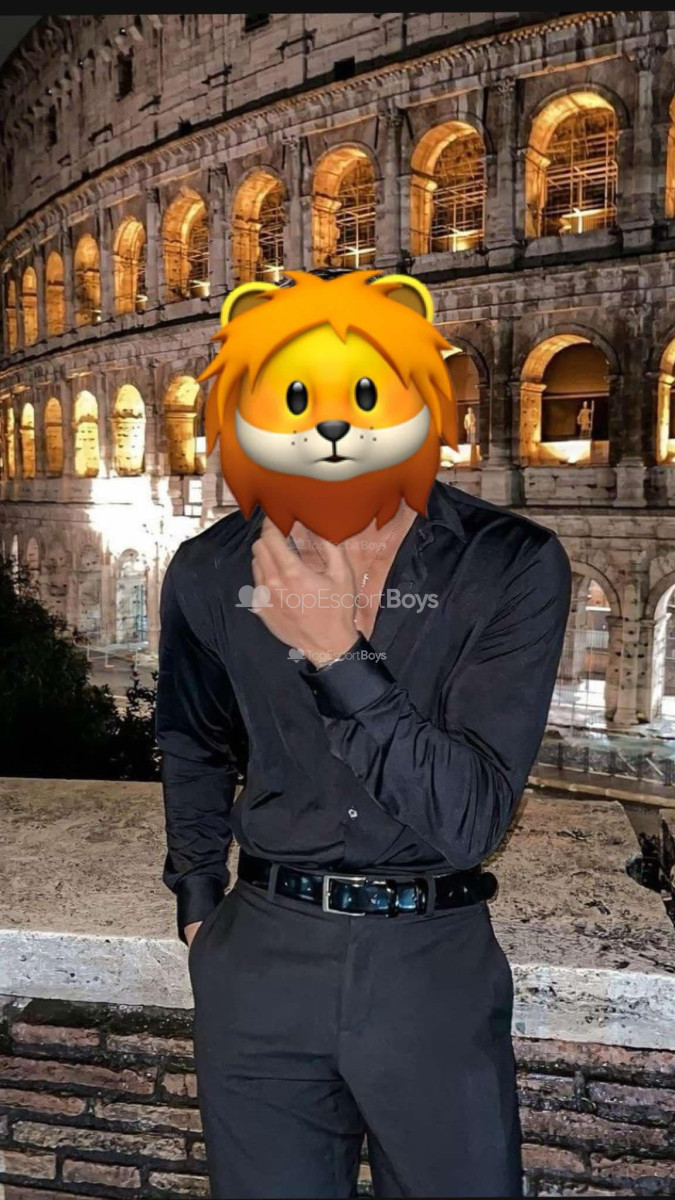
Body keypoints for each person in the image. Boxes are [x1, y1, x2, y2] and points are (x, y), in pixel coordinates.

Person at [156, 270, 571, 1199]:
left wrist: (336, 653)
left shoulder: (509, 563)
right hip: (260, 954)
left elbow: (470, 817)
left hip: (432, 960)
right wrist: (197, 898)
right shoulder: (210, 567)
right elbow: (191, 740)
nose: (332, 424)